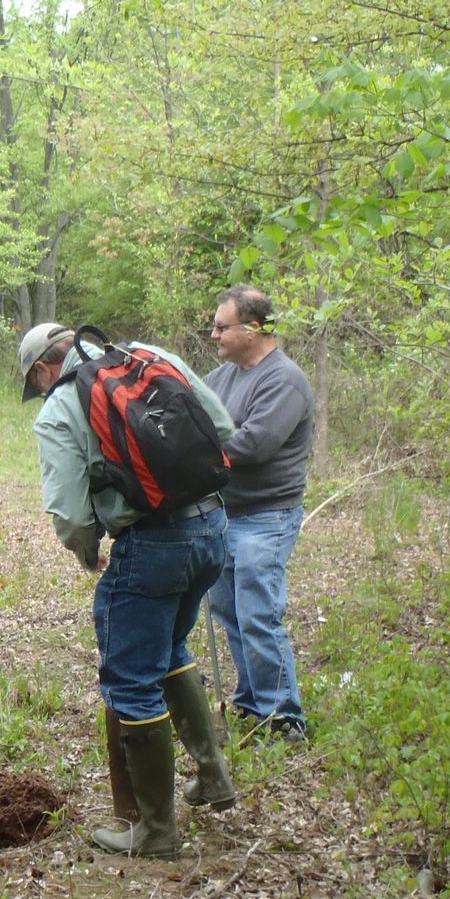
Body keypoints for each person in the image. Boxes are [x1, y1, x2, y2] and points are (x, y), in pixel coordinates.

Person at [18, 322, 238, 857]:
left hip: (153, 545)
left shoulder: (60, 407)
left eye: (37, 383)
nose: (41, 392)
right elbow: (223, 428)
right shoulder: (146, 355)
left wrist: (86, 549)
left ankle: (155, 831)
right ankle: (212, 776)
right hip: (213, 526)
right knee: (168, 652)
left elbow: (70, 515)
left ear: (45, 369)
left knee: (131, 679)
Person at [202, 285, 315, 741]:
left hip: (267, 518)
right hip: (227, 515)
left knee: (258, 613)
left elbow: (253, 445)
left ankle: (286, 718)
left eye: (221, 326)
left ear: (252, 328)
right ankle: (254, 701)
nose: (213, 335)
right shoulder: (222, 378)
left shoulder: (284, 380)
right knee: (230, 612)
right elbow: (191, 415)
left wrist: (201, 445)